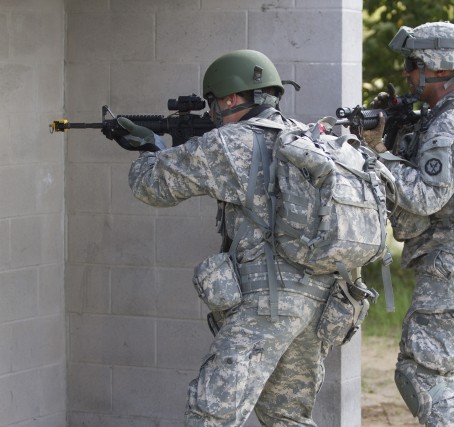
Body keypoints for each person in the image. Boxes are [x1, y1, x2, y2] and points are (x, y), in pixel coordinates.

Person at [123, 49, 358, 427]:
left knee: (211, 415)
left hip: (268, 304)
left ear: (232, 98)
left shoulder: (232, 142)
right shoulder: (308, 138)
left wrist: (150, 148)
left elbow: (152, 186)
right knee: (287, 417)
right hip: (321, 301)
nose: (212, 112)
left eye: (214, 102)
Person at [361, 22, 454, 426]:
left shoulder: (453, 121)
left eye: (412, 63)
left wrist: (376, 152)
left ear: (438, 68)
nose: (406, 72)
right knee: (425, 370)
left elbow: (426, 195)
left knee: (421, 373)